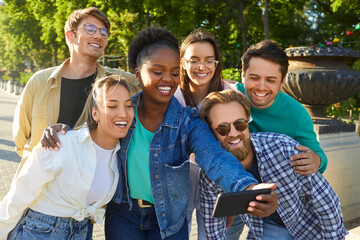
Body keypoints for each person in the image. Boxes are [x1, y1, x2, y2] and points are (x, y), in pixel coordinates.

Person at [40, 27, 278, 240]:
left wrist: (247, 188)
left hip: (170, 219)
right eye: (157, 71)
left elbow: (214, 157)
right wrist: (63, 131)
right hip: (123, 214)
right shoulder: (123, 113)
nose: (168, 79)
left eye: (175, 72)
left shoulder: (188, 122)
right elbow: (90, 132)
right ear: (137, 72)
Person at [198, 89, 348, 240]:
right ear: (211, 132)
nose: (233, 133)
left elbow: (326, 201)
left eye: (240, 124)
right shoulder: (210, 175)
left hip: (310, 227)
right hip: (269, 229)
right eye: (223, 128)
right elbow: (213, 228)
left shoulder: (283, 148)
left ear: (248, 121)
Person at [0, 76, 135, 239]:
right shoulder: (61, 143)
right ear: (95, 114)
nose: (123, 113)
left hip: (81, 232)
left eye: (128, 105)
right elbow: (19, 195)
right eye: (112, 106)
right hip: (39, 231)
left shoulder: (121, 154)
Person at [12, 7, 138, 172]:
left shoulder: (116, 81)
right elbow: (20, 138)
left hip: (91, 185)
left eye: (104, 32)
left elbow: (151, 81)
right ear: (70, 36)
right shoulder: (40, 81)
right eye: (90, 29)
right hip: (41, 183)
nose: (98, 35)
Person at [227, 39, 329, 239]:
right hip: (235, 187)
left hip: (274, 202)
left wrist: (316, 160)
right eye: (254, 77)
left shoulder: (297, 114)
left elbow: (319, 157)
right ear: (243, 75)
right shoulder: (230, 99)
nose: (261, 87)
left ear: (283, 81)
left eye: (271, 80)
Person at [174, 29, 234, 239]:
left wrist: (232, 194)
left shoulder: (229, 93)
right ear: (182, 62)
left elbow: (239, 142)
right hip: (180, 175)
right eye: (194, 60)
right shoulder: (173, 96)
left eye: (209, 60)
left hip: (217, 176)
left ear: (216, 64)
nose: (202, 67)